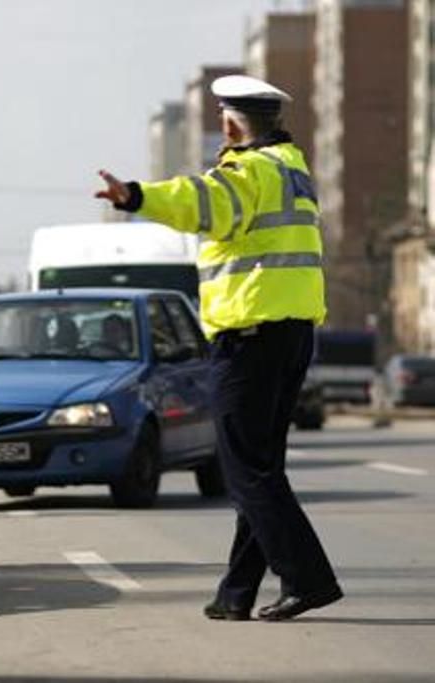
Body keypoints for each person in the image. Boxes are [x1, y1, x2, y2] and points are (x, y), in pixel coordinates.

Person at [94, 75, 342, 622]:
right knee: (260, 467)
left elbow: (198, 201)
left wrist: (135, 196)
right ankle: (236, 594)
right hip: (292, 331)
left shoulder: (246, 171)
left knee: (246, 471)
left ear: (231, 124)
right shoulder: (291, 170)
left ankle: (308, 579)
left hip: (250, 335)